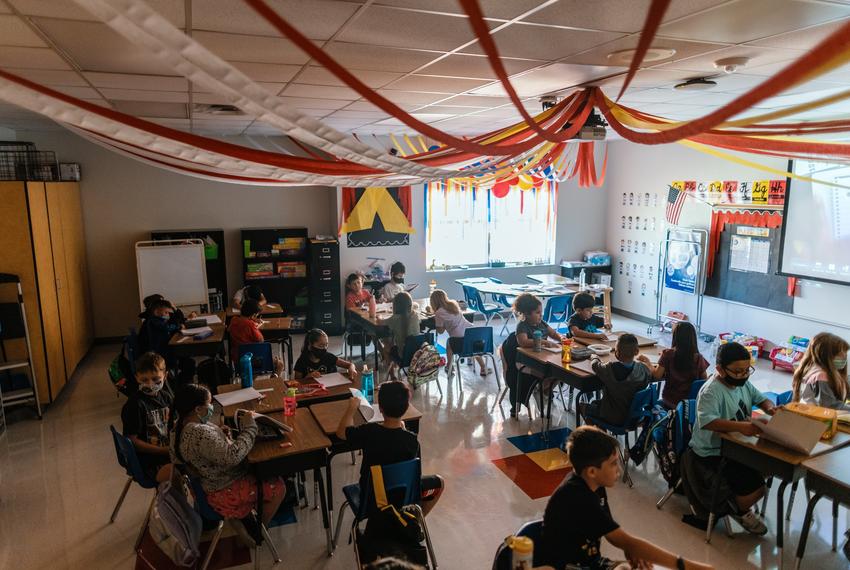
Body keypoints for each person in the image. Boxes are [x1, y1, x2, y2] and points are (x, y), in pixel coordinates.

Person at [539, 426, 714, 570]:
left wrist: (629, 549)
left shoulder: (593, 484)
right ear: (592, 471)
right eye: (613, 464)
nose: (619, 470)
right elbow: (622, 539)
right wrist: (686, 566)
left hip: (590, 563)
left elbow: (612, 534)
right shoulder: (578, 496)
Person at [682, 342, 776, 535]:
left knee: (768, 468)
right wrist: (743, 427)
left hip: (738, 446)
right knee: (757, 489)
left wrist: (770, 408)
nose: (743, 376)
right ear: (720, 369)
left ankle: (736, 503)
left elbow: (761, 399)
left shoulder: (743, 384)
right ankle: (737, 509)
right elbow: (709, 422)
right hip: (711, 452)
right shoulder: (711, 391)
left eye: (746, 370)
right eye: (737, 372)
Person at [170, 384, 285, 527]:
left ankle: (249, 521)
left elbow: (203, 451)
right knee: (278, 486)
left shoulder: (179, 427)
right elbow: (232, 457)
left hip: (211, 484)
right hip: (224, 491)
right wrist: (250, 428)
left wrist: (220, 436)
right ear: (197, 409)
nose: (212, 407)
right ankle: (258, 530)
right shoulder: (198, 432)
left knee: (263, 467)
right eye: (209, 403)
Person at [336, 381, 444, 517]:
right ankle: (415, 519)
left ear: (380, 408)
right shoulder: (411, 440)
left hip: (371, 500)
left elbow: (341, 432)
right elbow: (414, 474)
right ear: (406, 408)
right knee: (439, 482)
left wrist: (351, 408)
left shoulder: (369, 432)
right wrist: (403, 429)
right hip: (402, 498)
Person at [121, 352, 174, 482]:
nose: (150, 384)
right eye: (144, 380)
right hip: (149, 461)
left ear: (165, 376)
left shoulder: (166, 397)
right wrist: (163, 451)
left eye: (156, 379)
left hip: (167, 453)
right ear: (136, 378)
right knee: (188, 470)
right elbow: (132, 440)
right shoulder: (135, 404)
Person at [581, 334, 652, 426]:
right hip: (634, 417)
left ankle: (600, 435)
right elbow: (650, 375)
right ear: (637, 352)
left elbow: (595, 366)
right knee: (596, 403)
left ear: (616, 353)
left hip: (611, 416)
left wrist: (594, 357)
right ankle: (602, 434)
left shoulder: (610, 368)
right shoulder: (643, 369)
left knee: (582, 406)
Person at [638, 321, 709, 409]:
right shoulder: (699, 358)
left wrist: (648, 362)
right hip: (688, 404)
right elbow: (704, 381)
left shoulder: (668, 354)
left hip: (669, 401)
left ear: (676, 337)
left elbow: (657, 376)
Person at [429, 288, 487, 376]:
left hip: (459, 339)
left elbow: (440, 331)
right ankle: (483, 367)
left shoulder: (438, 313)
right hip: (473, 332)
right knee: (472, 347)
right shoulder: (453, 305)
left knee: (449, 343)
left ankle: (450, 366)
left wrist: (442, 323)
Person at [138, 297, 195, 384]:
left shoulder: (157, 319)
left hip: (164, 350)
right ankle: (182, 384)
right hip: (162, 353)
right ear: (157, 311)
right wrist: (178, 326)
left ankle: (183, 382)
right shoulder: (153, 321)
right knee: (188, 360)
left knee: (188, 359)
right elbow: (166, 327)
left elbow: (172, 324)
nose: (168, 315)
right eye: (166, 312)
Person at [791, 332, 850, 411]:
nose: (844, 357)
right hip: (815, 419)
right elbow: (830, 406)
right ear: (825, 355)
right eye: (840, 354)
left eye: (845, 353)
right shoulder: (821, 376)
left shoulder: (828, 372)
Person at [379, 292, 421, 380]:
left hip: (403, 356)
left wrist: (379, 317)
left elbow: (380, 322)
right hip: (419, 355)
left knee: (386, 346)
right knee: (391, 340)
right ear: (410, 304)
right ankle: (394, 369)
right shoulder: (415, 315)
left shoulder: (394, 319)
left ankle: (392, 376)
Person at [292, 328, 358, 380]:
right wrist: (307, 377)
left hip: (331, 389)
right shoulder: (302, 361)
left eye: (326, 345)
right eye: (320, 346)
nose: (324, 348)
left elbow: (350, 365)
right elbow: (297, 381)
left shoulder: (329, 357)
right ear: (310, 346)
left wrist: (352, 369)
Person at [228, 298, 264, 363]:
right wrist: (256, 327)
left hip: (237, 357)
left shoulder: (233, 319)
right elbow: (261, 340)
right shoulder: (250, 325)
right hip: (250, 358)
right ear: (253, 315)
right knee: (278, 363)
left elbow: (229, 329)